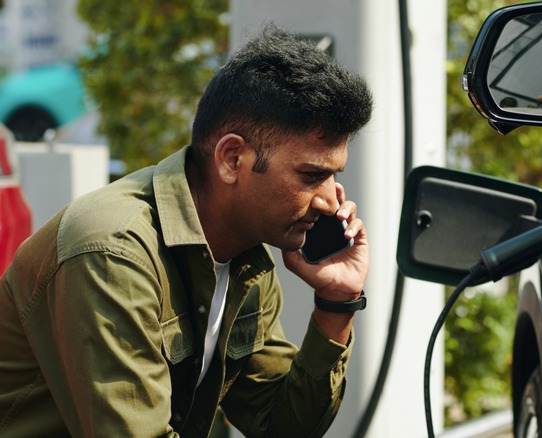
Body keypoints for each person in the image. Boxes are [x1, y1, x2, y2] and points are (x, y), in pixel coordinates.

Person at [0, 24, 373, 437]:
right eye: (310, 175)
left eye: (332, 176)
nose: (331, 201)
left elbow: (281, 426)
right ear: (231, 158)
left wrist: (337, 302)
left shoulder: (245, 259)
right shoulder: (112, 251)